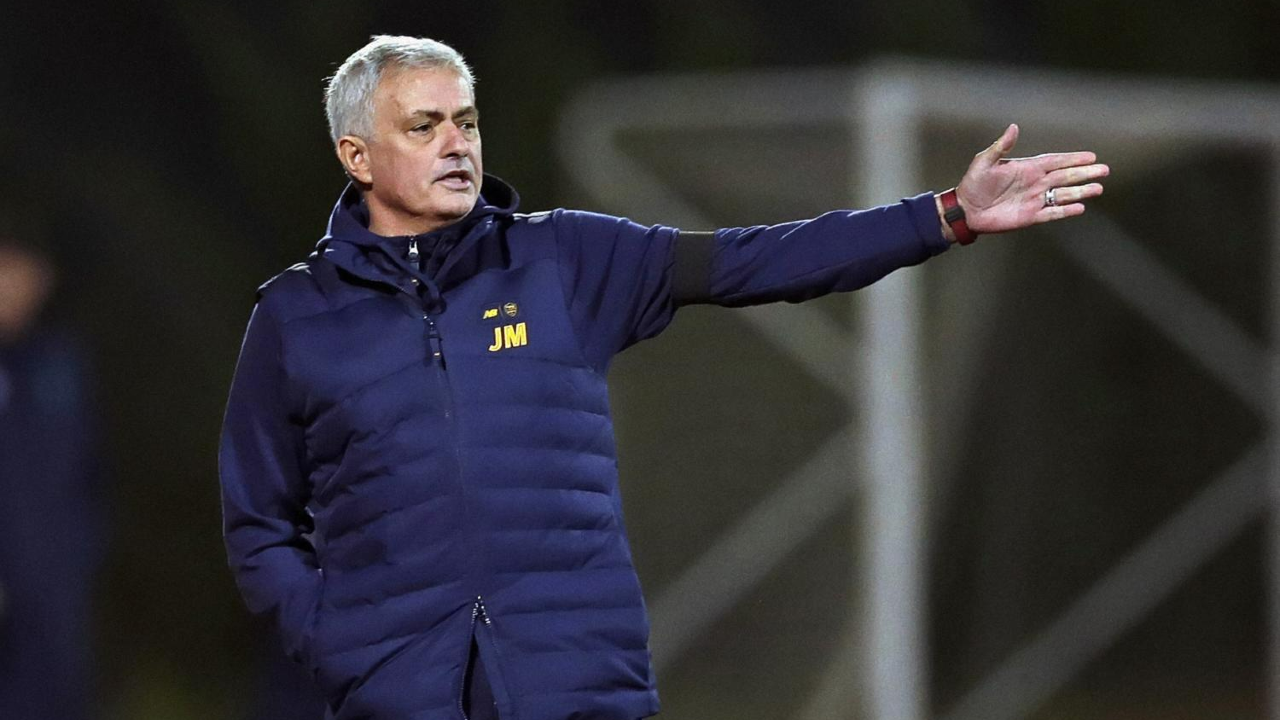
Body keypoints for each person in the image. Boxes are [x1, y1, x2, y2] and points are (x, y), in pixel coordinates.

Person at [218, 35, 1108, 720]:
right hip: (397, 696)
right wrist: (336, 638)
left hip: (578, 687)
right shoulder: (296, 317)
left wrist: (945, 216)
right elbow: (258, 522)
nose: (457, 144)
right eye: (425, 127)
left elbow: (759, 260)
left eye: (468, 121)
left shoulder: (564, 258)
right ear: (358, 157)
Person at [0, 234, 105, 720]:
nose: (11, 286)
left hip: (52, 572)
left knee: (54, 691)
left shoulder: (59, 363)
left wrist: (83, 545)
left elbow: (89, 465)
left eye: (22, 273)